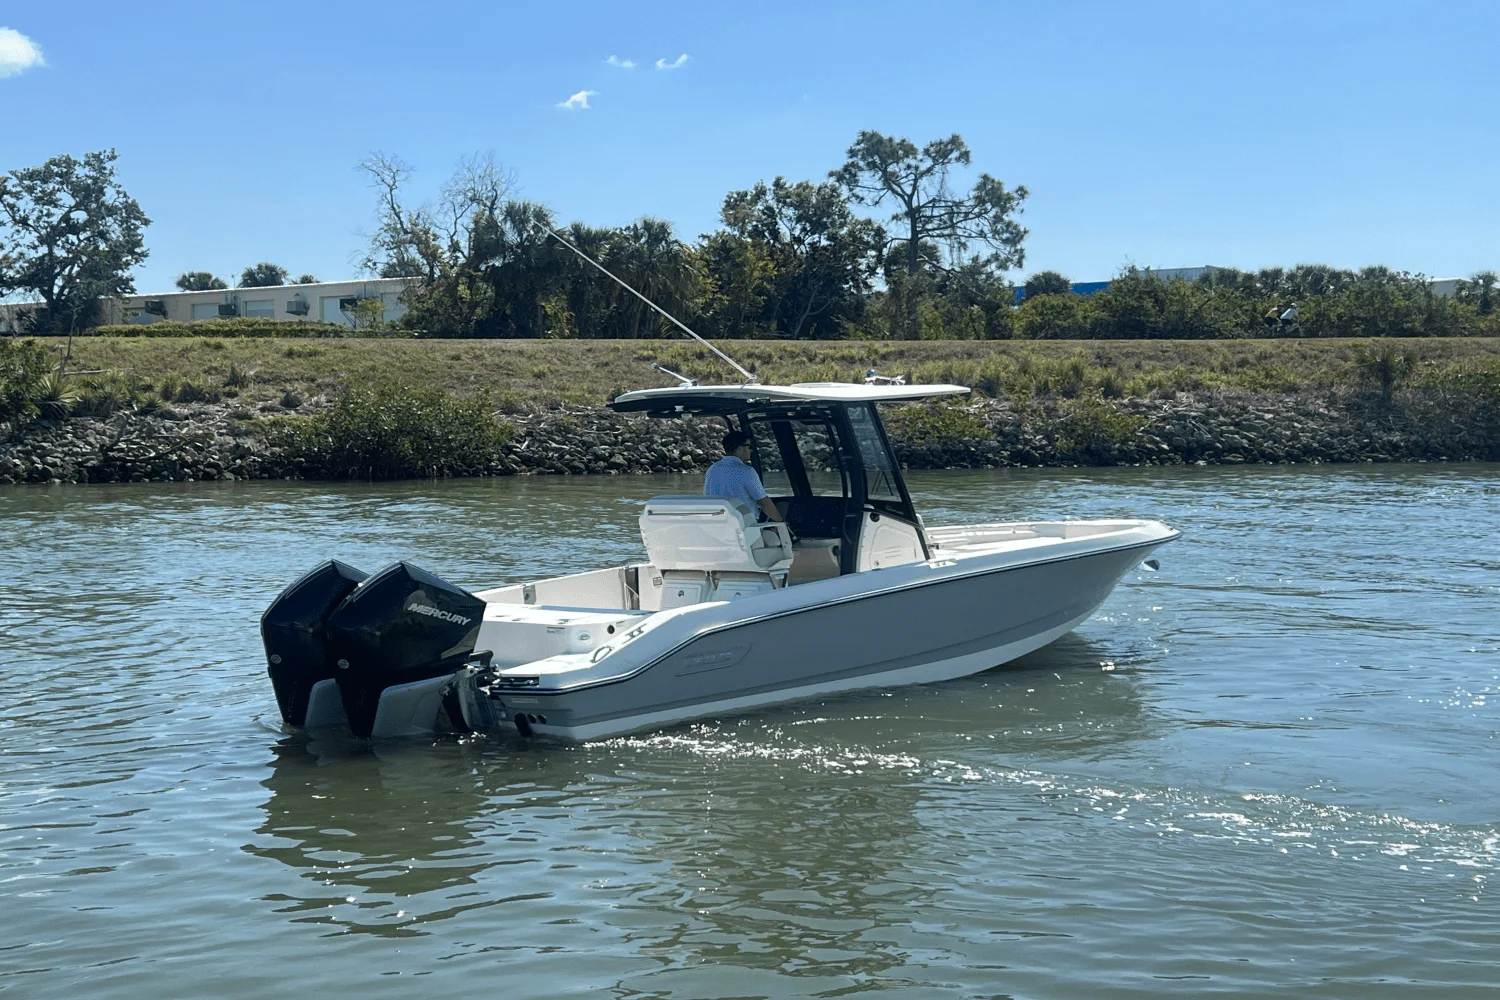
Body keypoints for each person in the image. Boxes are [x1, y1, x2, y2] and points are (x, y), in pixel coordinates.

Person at [704, 430, 783, 522]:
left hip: (719, 524)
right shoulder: (747, 471)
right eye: (749, 446)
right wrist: (781, 522)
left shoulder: (712, 469)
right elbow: (764, 502)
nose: (751, 450)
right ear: (738, 448)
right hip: (744, 527)